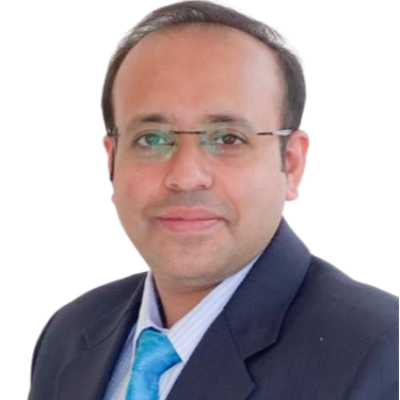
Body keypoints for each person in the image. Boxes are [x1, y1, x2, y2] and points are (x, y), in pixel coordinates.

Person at [28, 0, 399, 399]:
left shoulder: (382, 353)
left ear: (291, 164)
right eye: (151, 139)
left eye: (227, 138)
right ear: (111, 161)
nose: (186, 176)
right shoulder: (70, 332)